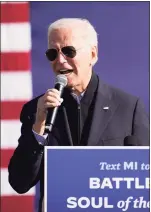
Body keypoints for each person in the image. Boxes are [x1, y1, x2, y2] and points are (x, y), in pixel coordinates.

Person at [8, 18, 149, 212]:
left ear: (93, 54)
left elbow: (143, 178)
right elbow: (19, 182)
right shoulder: (37, 110)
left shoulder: (128, 107)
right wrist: (39, 126)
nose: (60, 60)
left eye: (69, 51)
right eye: (52, 53)